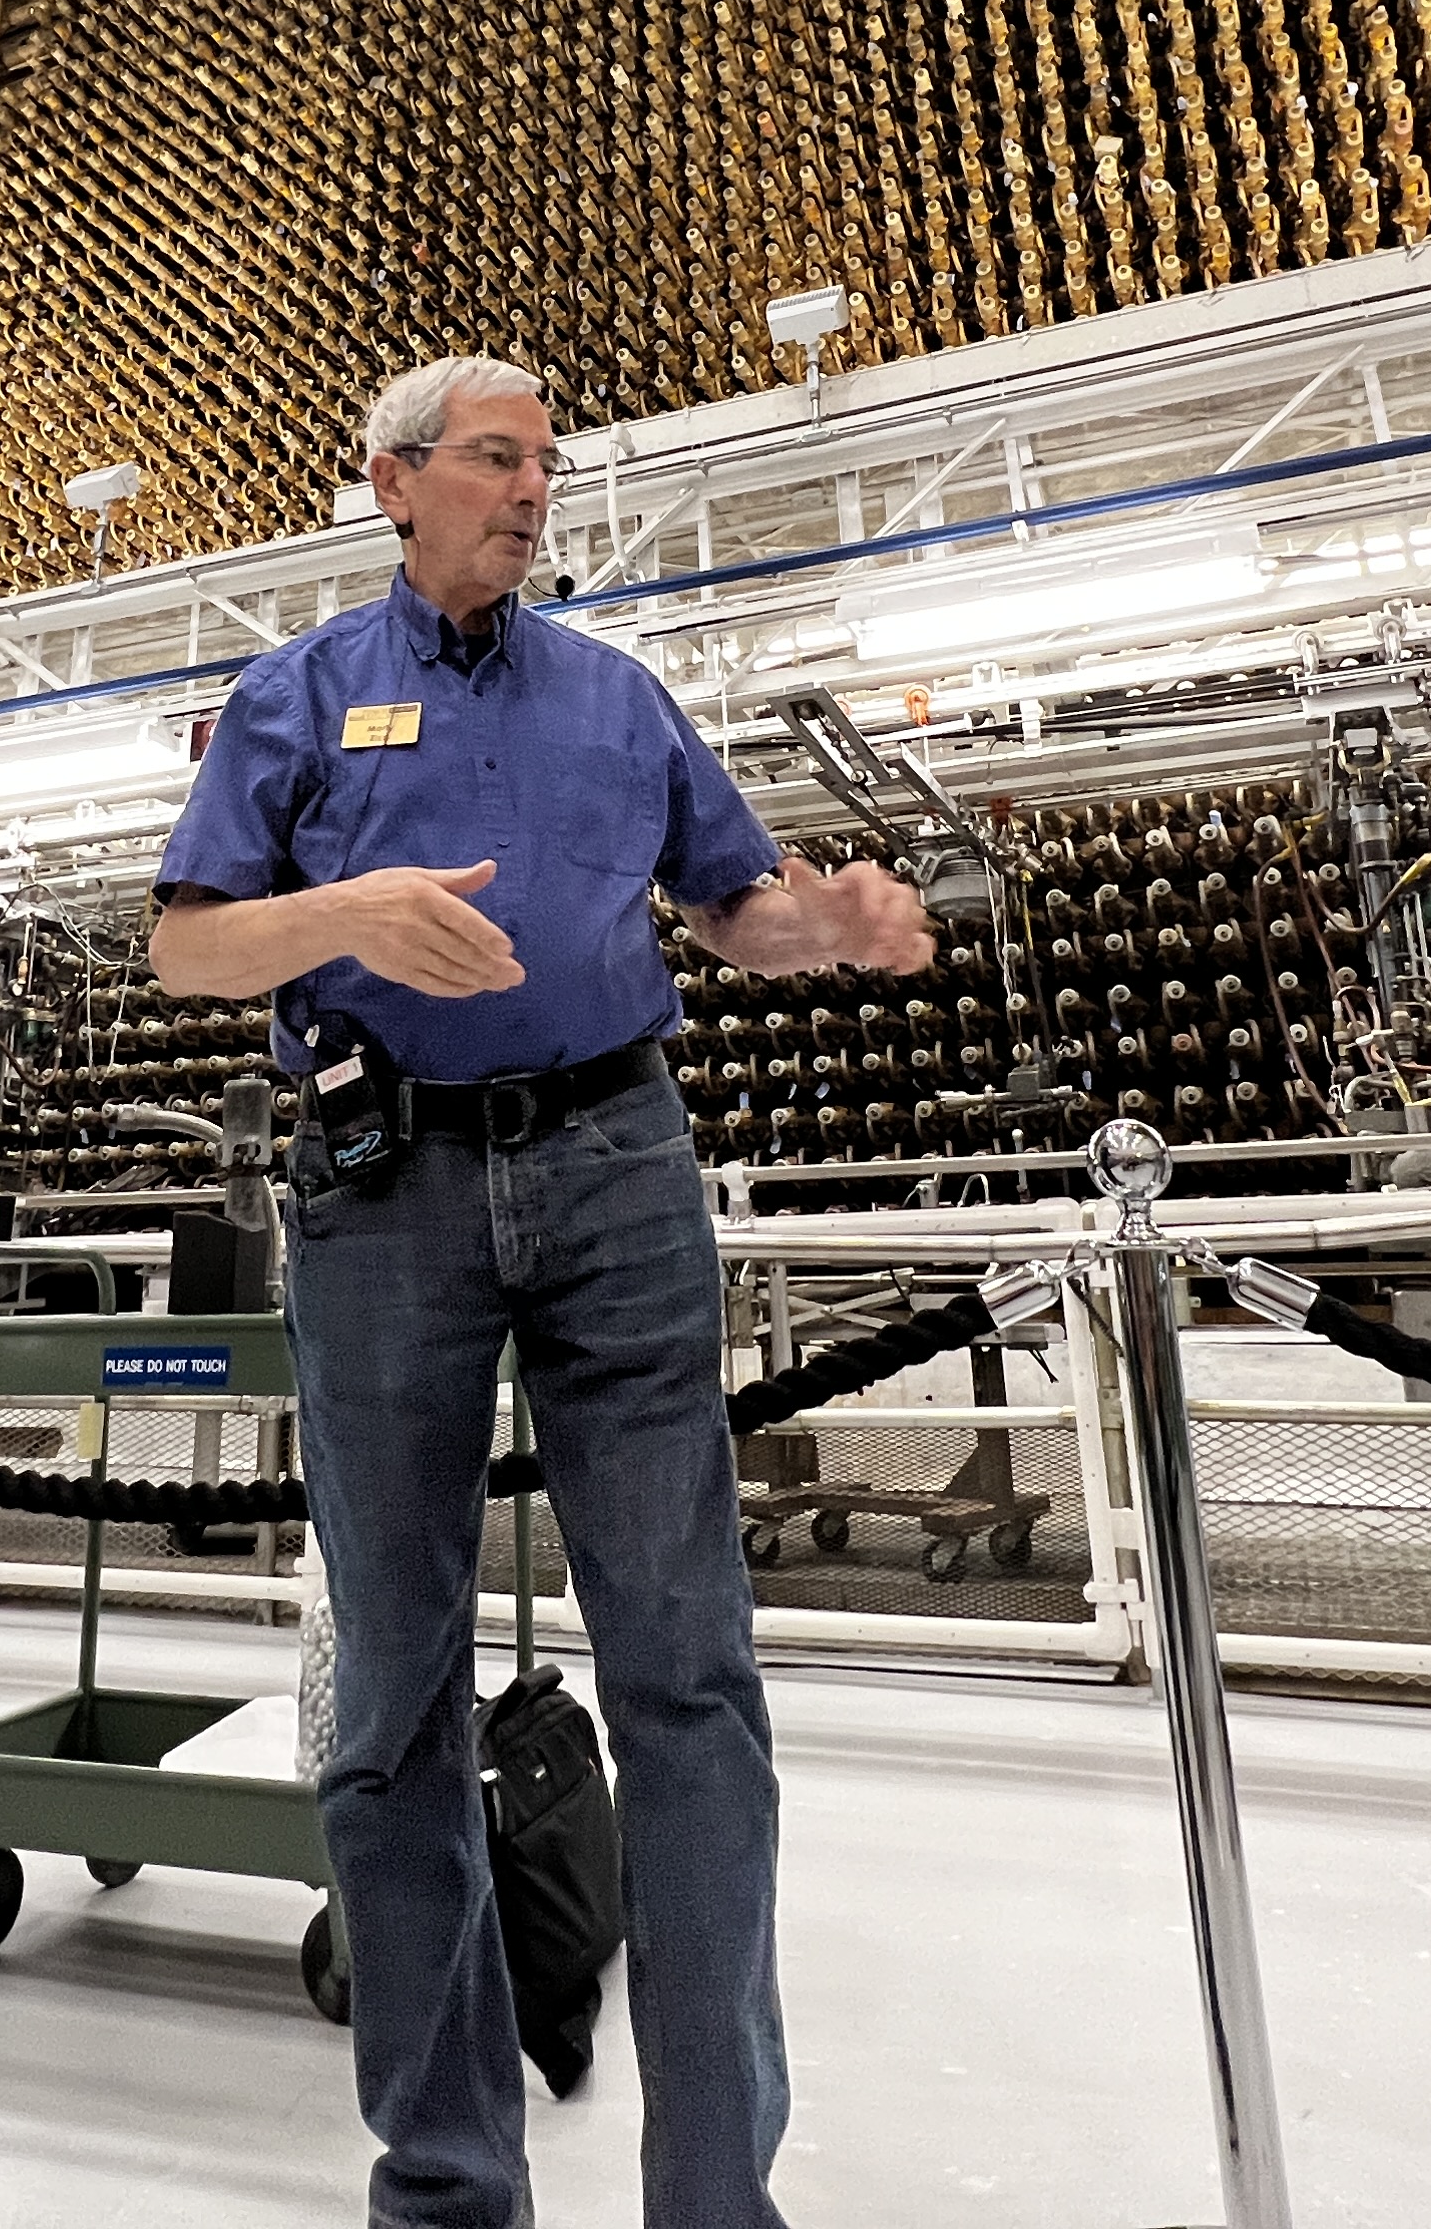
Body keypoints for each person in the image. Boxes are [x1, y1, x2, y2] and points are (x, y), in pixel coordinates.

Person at [152, 353, 934, 2229]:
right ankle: (444, 2182)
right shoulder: (300, 694)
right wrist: (345, 916)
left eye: (546, 469)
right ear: (393, 482)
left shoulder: (620, 697)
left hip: (616, 1172)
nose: (532, 493)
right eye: (500, 461)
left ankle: (711, 2195)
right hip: (382, 1186)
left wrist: (813, 930)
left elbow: (731, 898)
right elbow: (187, 945)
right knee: (396, 1702)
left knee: (690, 1679)